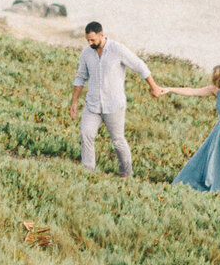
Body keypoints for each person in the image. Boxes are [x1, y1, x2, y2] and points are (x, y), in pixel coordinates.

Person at [69, 21, 162, 178]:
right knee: (86, 134)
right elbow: (80, 78)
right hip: (93, 105)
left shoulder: (117, 49)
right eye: (87, 40)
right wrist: (74, 103)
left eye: (92, 40)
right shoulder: (86, 53)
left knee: (118, 141)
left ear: (101, 35)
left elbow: (140, 66)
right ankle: (88, 171)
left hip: (114, 105)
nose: (90, 43)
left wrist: (153, 86)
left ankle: (126, 174)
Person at [161, 64, 220, 202]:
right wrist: (170, 89)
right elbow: (192, 91)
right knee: (205, 158)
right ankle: (200, 187)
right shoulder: (215, 90)